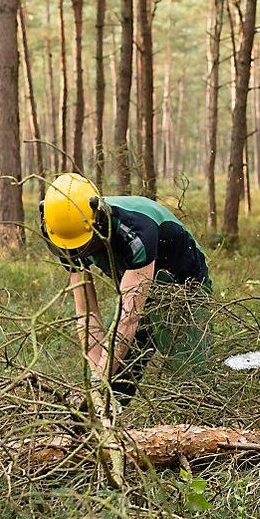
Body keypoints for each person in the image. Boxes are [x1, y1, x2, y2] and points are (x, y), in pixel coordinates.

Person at [39, 173, 212, 404]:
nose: (80, 251)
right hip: (136, 290)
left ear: (97, 218)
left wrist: (102, 375)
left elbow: (129, 319)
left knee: (192, 381)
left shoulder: (136, 232)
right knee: (115, 376)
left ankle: (211, 428)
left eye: (85, 244)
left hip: (184, 287)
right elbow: (87, 314)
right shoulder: (64, 234)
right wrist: (97, 379)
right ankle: (106, 424)